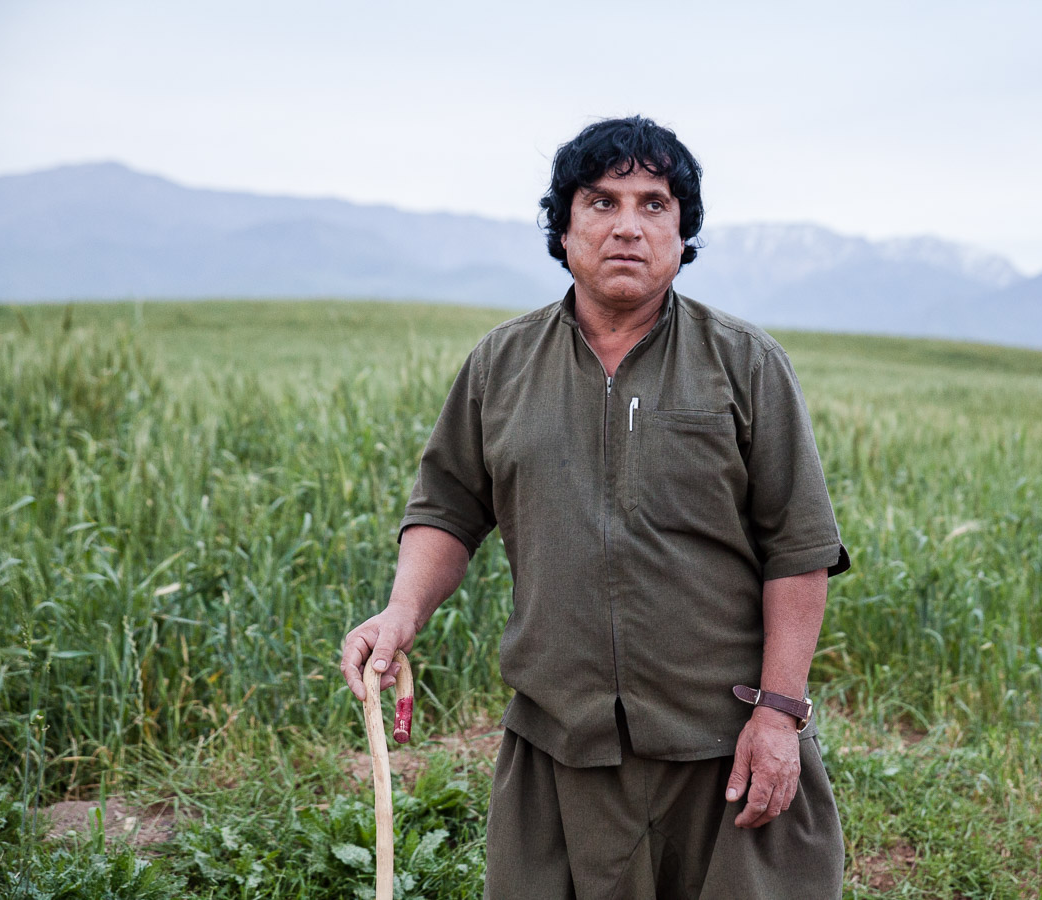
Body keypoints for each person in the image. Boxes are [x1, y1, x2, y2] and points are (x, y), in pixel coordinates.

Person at [341, 115, 850, 899]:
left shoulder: (744, 363)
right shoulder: (502, 364)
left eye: (654, 205)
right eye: (602, 202)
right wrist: (402, 612)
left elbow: (799, 546)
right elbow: (447, 509)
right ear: (564, 227)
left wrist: (778, 715)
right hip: (560, 747)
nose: (627, 227)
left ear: (683, 233)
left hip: (722, 751)